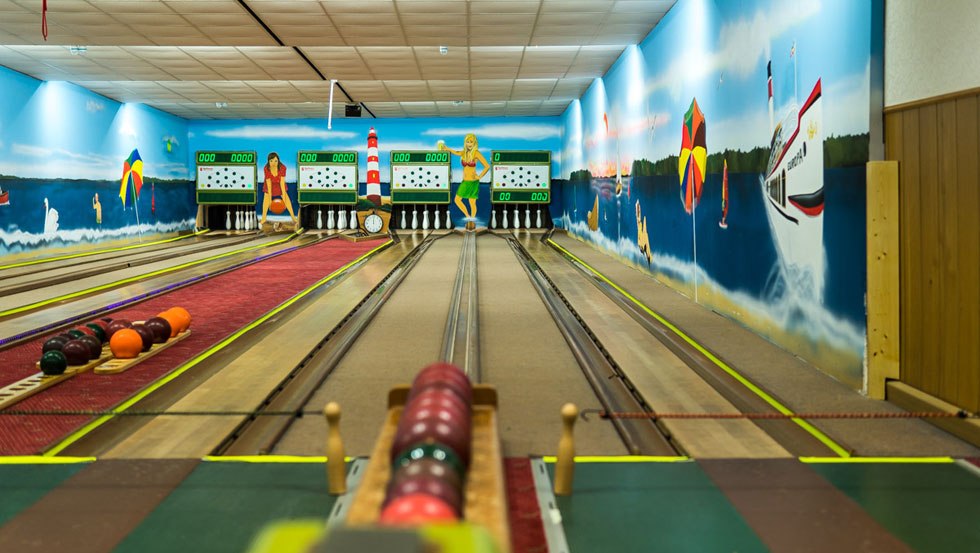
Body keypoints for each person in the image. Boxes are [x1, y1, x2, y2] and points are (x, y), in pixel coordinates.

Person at [440, 133, 488, 230]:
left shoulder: (476, 153)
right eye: (467, 142)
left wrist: (479, 176)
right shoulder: (464, 153)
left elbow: (487, 166)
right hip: (465, 182)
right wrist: (447, 148)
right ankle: (468, 216)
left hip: (473, 182)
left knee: (472, 203)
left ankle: (472, 220)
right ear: (465, 143)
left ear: (474, 143)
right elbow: (456, 152)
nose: (469, 144)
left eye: (471, 142)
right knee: (457, 200)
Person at [260, 152, 297, 227]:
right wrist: (270, 202)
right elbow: (269, 186)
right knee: (266, 201)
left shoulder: (283, 168)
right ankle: (263, 218)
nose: (273, 163)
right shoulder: (266, 168)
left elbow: (282, 184)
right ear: (268, 161)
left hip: (279, 185)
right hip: (269, 185)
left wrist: (285, 201)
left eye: (275, 161)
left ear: (278, 161)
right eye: (271, 161)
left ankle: (293, 217)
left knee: (287, 200)